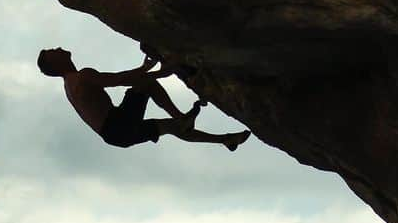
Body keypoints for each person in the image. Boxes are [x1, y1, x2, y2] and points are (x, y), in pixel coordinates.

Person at [35, 47, 250, 152]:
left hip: (114, 134)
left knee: (171, 128)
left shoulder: (70, 84)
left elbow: (121, 79)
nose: (58, 48)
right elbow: (118, 80)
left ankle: (225, 140)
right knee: (147, 85)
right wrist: (159, 73)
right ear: (55, 64)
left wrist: (143, 70)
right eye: (53, 52)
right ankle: (181, 117)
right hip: (117, 124)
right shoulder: (81, 77)